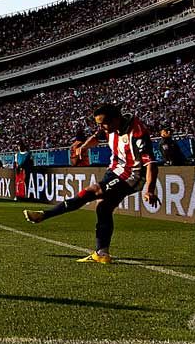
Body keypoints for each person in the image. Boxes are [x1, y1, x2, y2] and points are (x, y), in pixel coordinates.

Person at [24, 103, 159, 264]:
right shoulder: (109, 127)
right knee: (103, 208)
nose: (101, 127)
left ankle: (45, 215)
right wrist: (84, 146)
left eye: (104, 123)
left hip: (132, 175)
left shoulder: (137, 132)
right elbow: (97, 136)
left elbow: (150, 163)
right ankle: (102, 253)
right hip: (114, 170)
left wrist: (149, 189)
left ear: (116, 119)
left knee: (92, 191)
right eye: (98, 123)